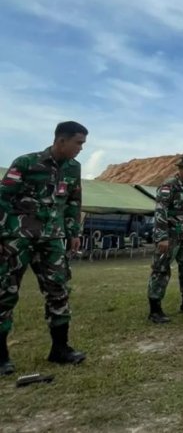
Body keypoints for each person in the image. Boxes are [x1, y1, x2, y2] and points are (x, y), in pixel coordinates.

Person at [0, 121, 89, 373]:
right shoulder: (26, 163)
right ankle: (1, 356)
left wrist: (73, 232)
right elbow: (3, 198)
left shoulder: (73, 168)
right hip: (18, 239)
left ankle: (59, 349)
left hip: (52, 240)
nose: (81, 149)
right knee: (5, 293)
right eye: (78, 143)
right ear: (61, 140)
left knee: (58, 290)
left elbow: (73, 200)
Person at [147, 154, 183, 323]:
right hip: (170, 236)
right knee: (161, 270)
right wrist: (162, 237)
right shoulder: (169, 185)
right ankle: (155, 310)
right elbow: (160, 211)